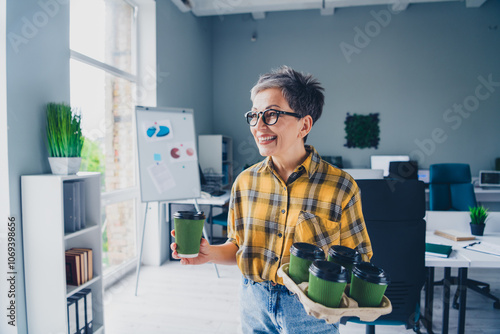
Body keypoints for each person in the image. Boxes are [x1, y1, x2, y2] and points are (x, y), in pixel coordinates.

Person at [171, 65, 373, 334]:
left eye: (272, 115)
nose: (259, 126)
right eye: (254, 116)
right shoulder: (245, 182)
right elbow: (239, 247)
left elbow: (358, 260)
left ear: (305, 124)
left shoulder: (340, 187)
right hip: (253, 302)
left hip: (310, 310)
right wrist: (209, 254)